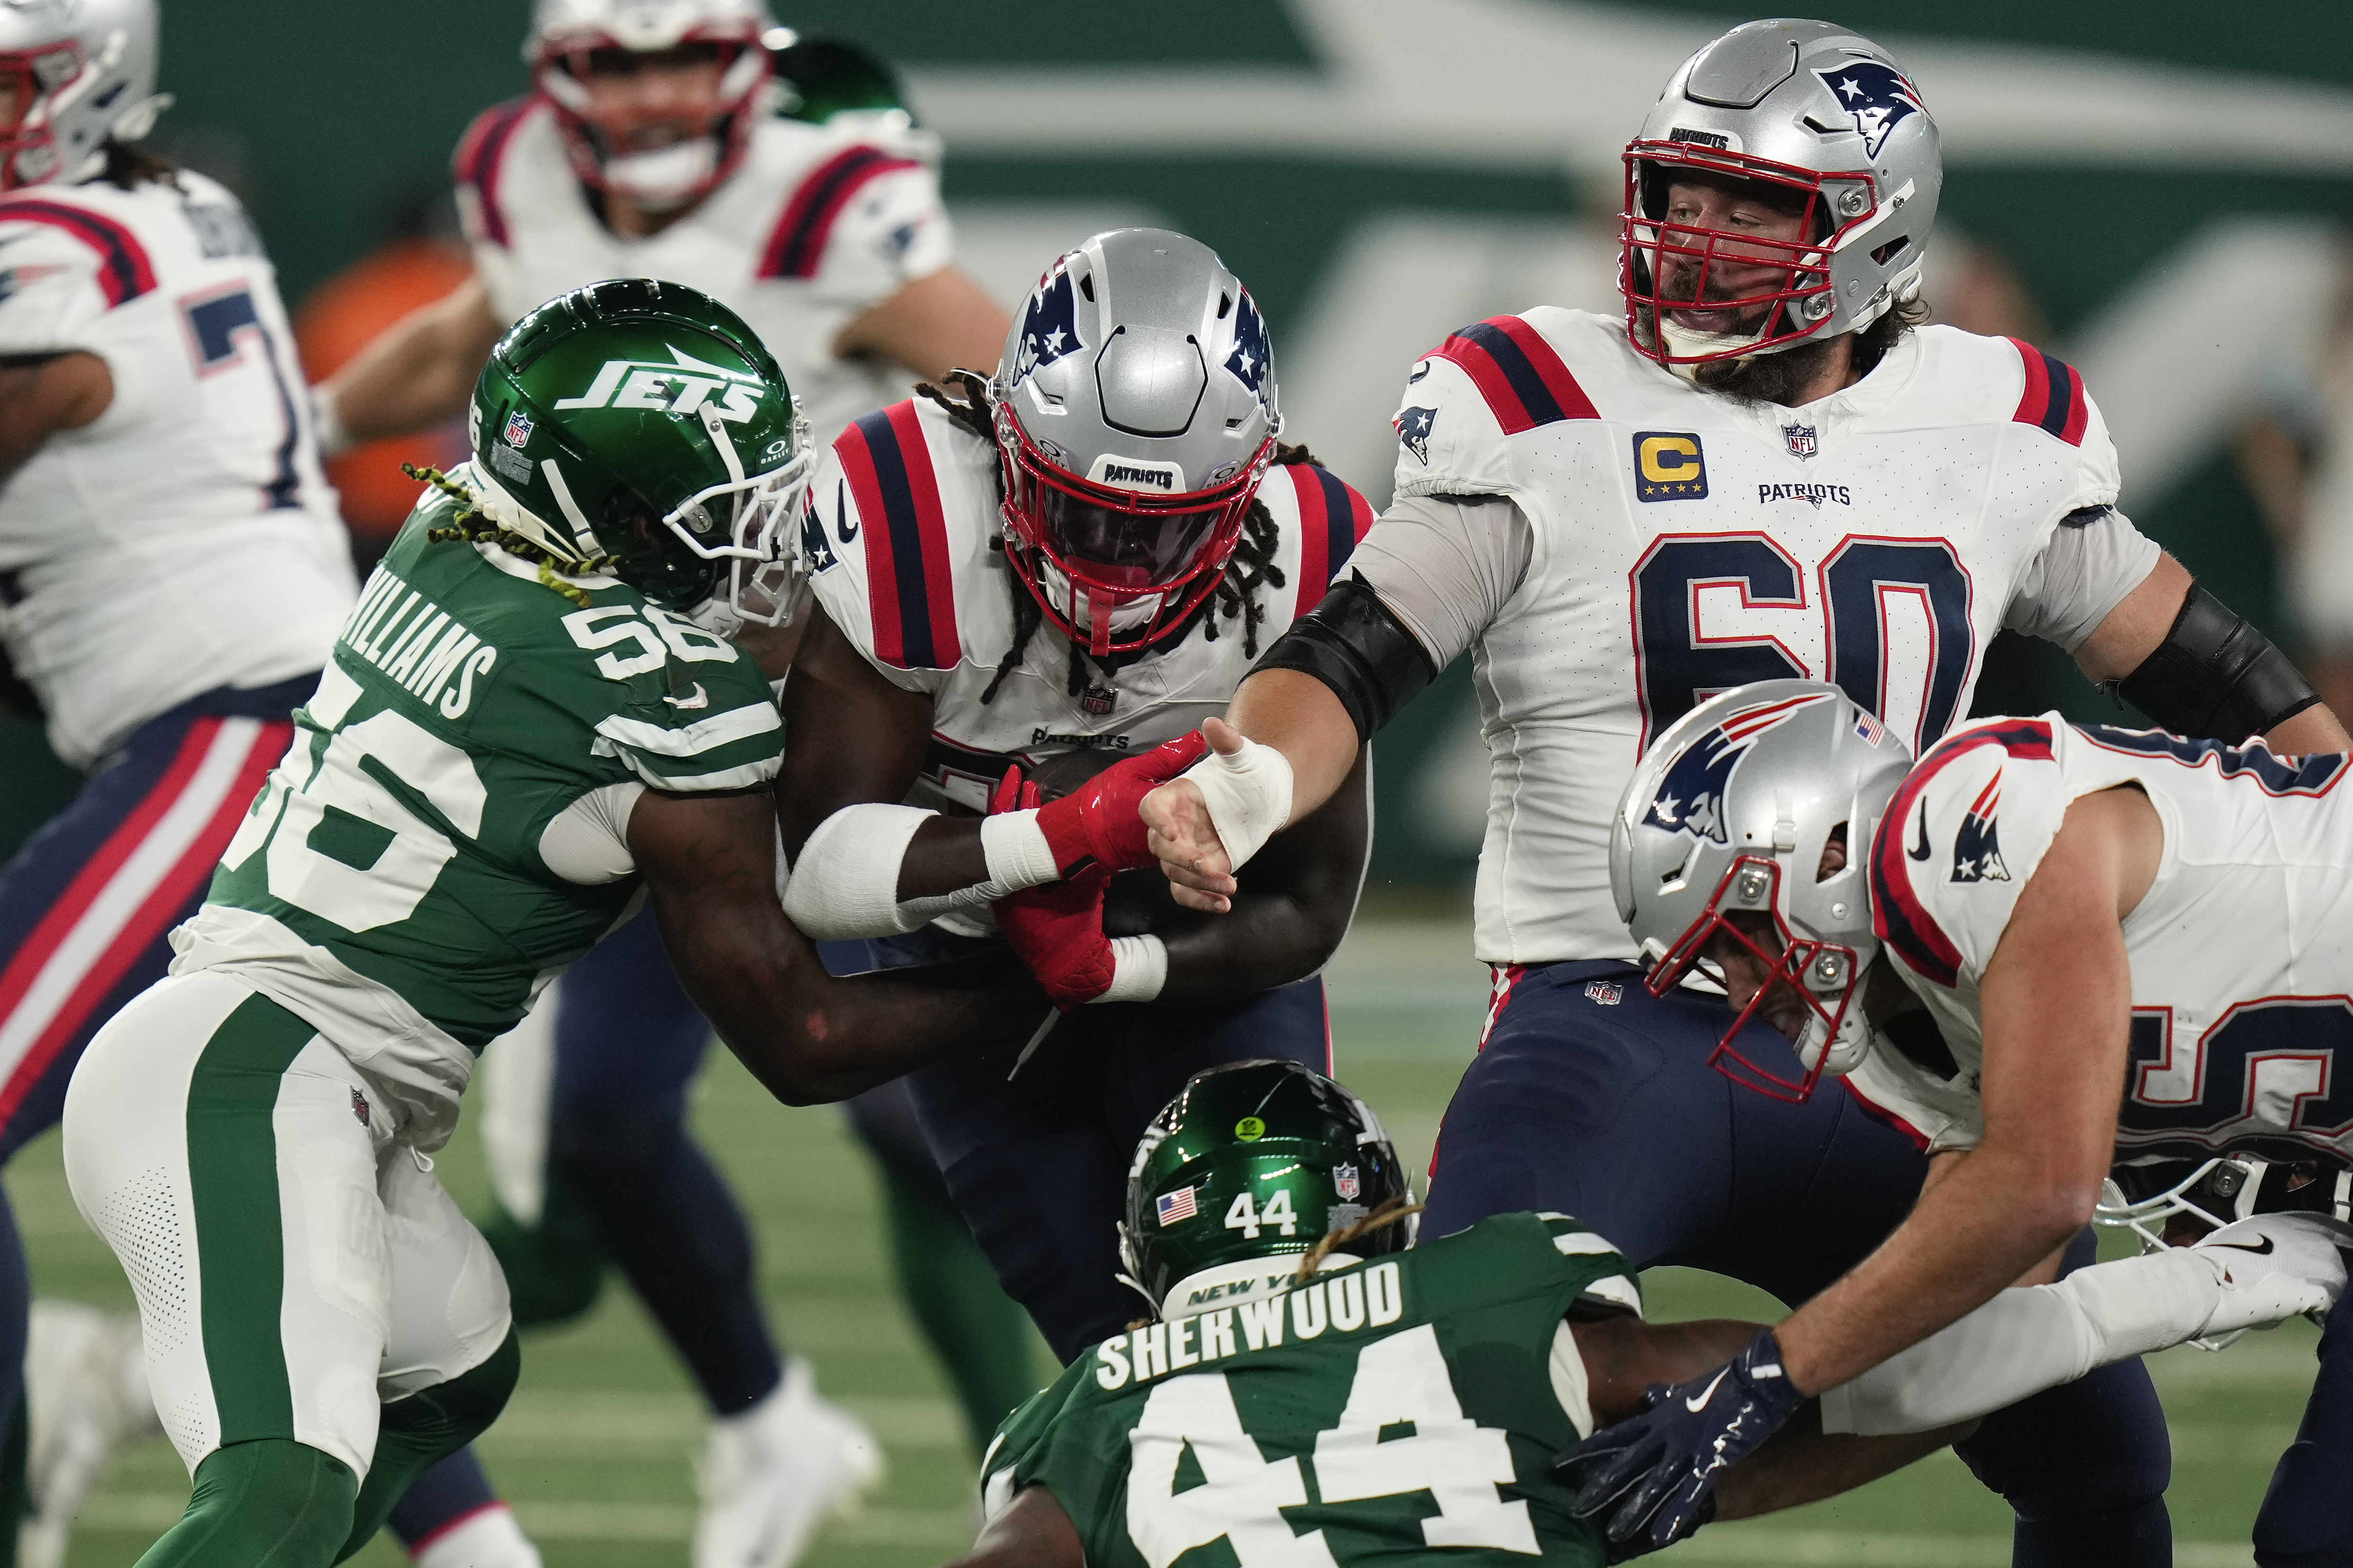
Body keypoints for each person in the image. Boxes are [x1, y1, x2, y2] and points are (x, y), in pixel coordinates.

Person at [1138, 18, 2353, 1565]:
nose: (1689, 236)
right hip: (1608, 1012)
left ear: (1877, 229)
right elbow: (1357, 654)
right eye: (1678, 192)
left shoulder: (1992, 420)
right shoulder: (1538, 395)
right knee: (1464, 1391)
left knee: (2098, 1454)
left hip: (1898, 1028)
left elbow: (2209, 668)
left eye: (1749, 204)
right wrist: (1248, 780)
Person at [55, 278, 1098, 1568]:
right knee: (279, 1482)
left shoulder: (453, 534)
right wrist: (1059, 974)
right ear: (604, 511)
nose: (762, 538)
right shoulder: (656, 704)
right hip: (259, 1068)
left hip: (272, 1053)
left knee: (451, 1362)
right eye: (722, 510)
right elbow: (805, 1035)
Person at [310, 2, 1024, 1550]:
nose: (649, 96)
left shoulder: (829, 199)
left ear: (746, 62)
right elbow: (467, 340)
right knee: (588, 1143)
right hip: (596, 707)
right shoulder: (513, 177)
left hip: (801, 707)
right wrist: (298, 436)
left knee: (926, 1125)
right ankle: (769, 1420)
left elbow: (1018, 401)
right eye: (616, 64)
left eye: (679, 57)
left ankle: (1039, 1476)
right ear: (558, 81)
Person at [956, 1057, 2350, 1568]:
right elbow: (1871, 1383)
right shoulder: (1479, 1299)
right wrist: (2221, 1277)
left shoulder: (1075, 1416)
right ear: (1367, 1210)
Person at [1566, 677, 2353, 1559]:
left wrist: (1768, 1372)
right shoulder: (1914, 1040)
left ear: (1826, 853)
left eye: (1736, 934)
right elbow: (1974, 1357)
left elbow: (2044, 1187)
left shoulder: (1959, 819)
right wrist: (1712, 1485)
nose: (1744, 988)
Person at [777, 227, 1377, 1365]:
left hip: (1202, 966)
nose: (1120, 564)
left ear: (1252, 484)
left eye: (1166, 527)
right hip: (964, 964)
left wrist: (1118, 967)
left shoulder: (1314, 544)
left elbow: (1306, 911)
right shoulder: (913, 509)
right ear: (1000, 440)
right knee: (1114, 1360)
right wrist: (1069, 832)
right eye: (1084, 511)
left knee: (1273, 1342)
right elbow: (818, 869)